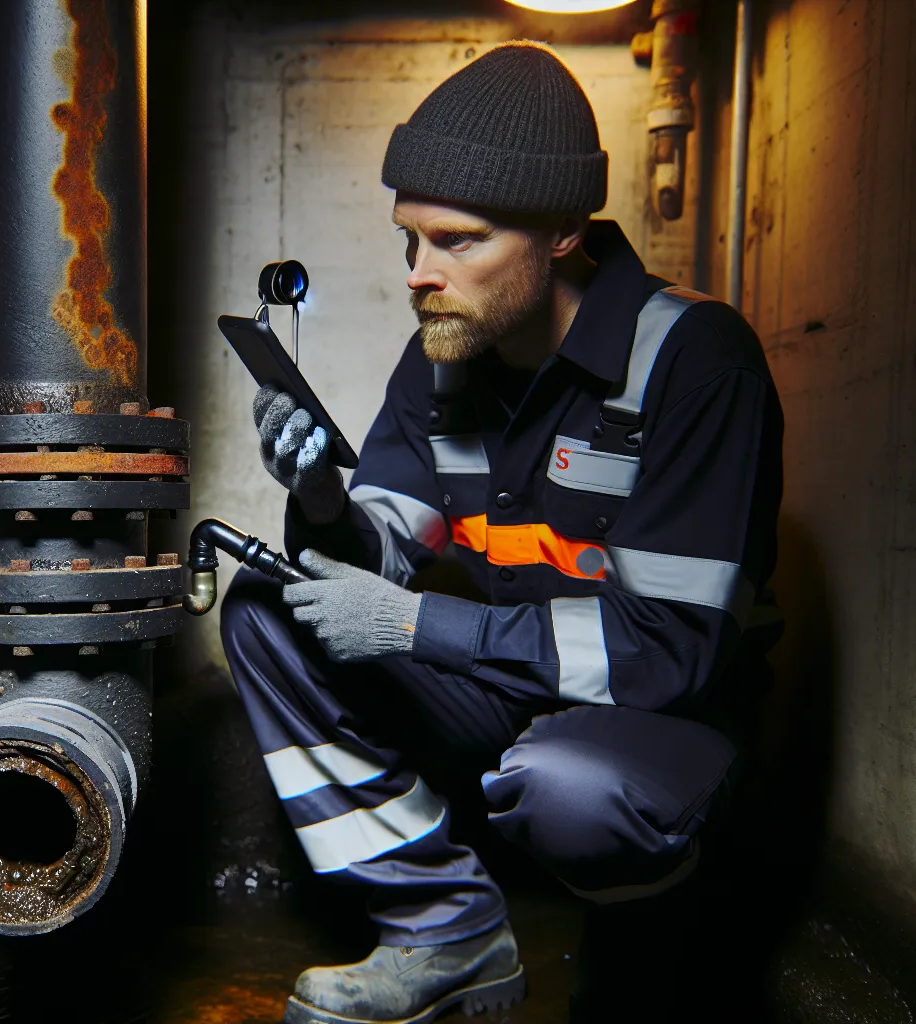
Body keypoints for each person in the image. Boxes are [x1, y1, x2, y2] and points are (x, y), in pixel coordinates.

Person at [219, 41, 784, 1024]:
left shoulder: (696, 361)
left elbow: (668, 654)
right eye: (409, 241)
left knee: (568, 787)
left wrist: (415, 627)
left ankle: (648, 959)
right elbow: (380, 551)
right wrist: (318, 497)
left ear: (563, 230)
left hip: (664, 724)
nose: (419, 275)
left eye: (457, 241)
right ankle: (444, 929)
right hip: (514, 691)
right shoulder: (443, 358)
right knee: (266, 609)